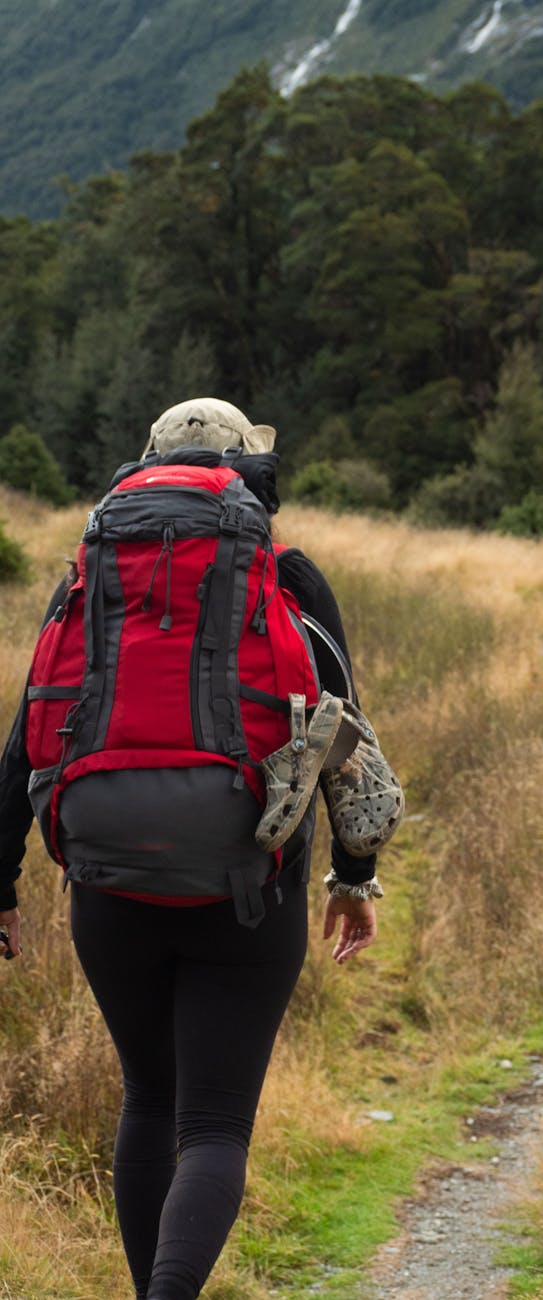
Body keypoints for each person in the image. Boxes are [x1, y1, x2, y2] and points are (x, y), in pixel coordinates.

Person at [0, 398, 389, 1300]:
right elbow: (343, 738)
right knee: (212, 1125)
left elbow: (28, 735)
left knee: (147, 1099)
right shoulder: (285, 574)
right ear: (247, 473)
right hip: (246, 883)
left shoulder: (87, 575)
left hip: (106, 882)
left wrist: (2, 879)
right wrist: (354, 875)